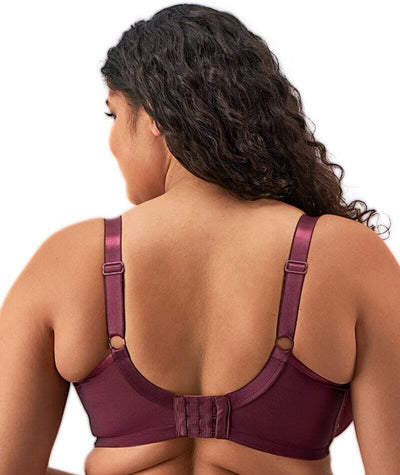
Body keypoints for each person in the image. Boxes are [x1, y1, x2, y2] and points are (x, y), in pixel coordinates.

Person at [1, 4, 399, 475]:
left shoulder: (67, 261)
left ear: (155, 116)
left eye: (114, 115)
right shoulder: (348, 257)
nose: (113, 142)